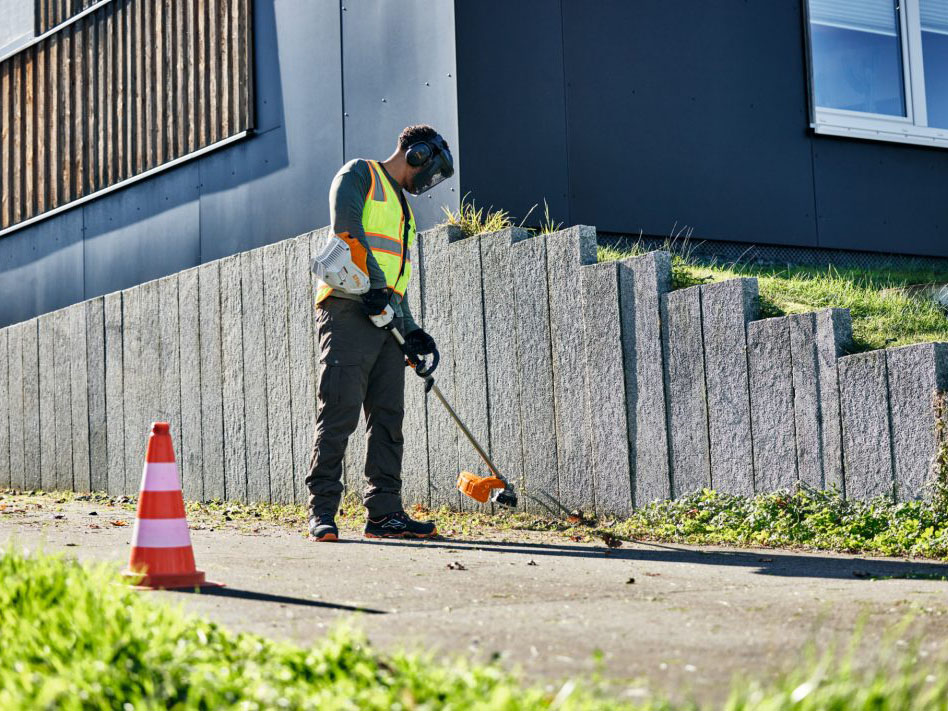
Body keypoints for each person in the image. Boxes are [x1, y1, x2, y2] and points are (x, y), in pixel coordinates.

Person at [306, 124, 454, 541]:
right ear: (417, 154)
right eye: (430, 169)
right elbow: (346, 229)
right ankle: (321, 512)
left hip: (383, 315)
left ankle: (384, 513)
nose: (429, 181)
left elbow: (395, 283)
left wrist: (413, 333)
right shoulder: (359, 175)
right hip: (347, 309)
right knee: (339, 412)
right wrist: (373, 287)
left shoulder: (404, 209)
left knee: (388, 419)